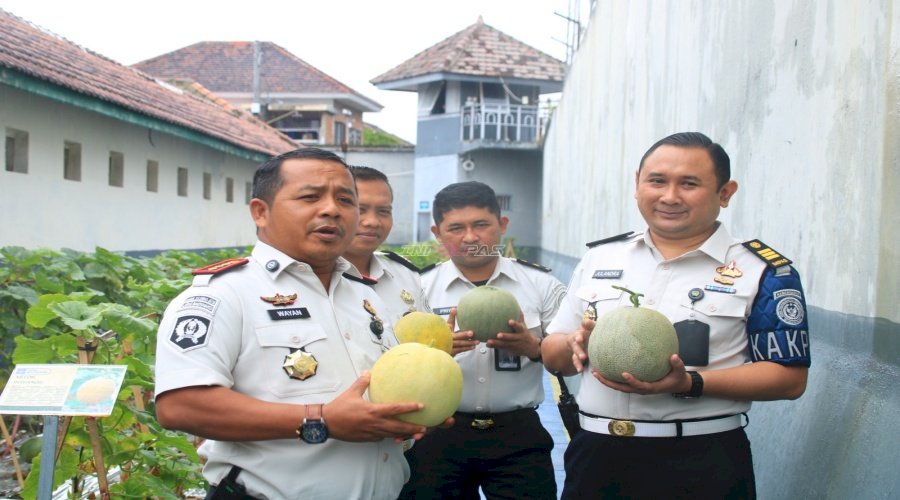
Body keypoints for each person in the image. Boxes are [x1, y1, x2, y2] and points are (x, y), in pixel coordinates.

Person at [153, 148, 439, 500]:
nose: (332, 209)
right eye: (310, 196)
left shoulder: (366, 297)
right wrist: (321, 420)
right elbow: (180, 405)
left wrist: (408, 415)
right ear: (261, 212)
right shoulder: (225, 295)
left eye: (346, 200)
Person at [541, 132, 811, 498]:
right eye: (657, 181)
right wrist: (575, 346)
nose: (669, 196)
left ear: (725, 193)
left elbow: (789, 379)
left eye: (689, 184)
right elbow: (552, 351)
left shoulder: (763, 272)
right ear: (637, 183)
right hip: (597, 456)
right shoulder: (599, 259)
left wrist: (691, 384)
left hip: (702, 461)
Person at [399, 181, 567, 500]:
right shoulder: (417, 289)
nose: (471, 237)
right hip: (438, 433)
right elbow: (393, 361)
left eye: (481, 225)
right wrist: (434, 352)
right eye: (456, 228)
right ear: (437, 232)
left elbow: (572, 363)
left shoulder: (541, 285)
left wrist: (533, 348)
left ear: (502, 225)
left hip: (518, 434)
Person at [343, 165, 430, 325]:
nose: (373, 222)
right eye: (360, 210)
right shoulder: (315, 277)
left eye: (384, 212)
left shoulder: (406, 275)